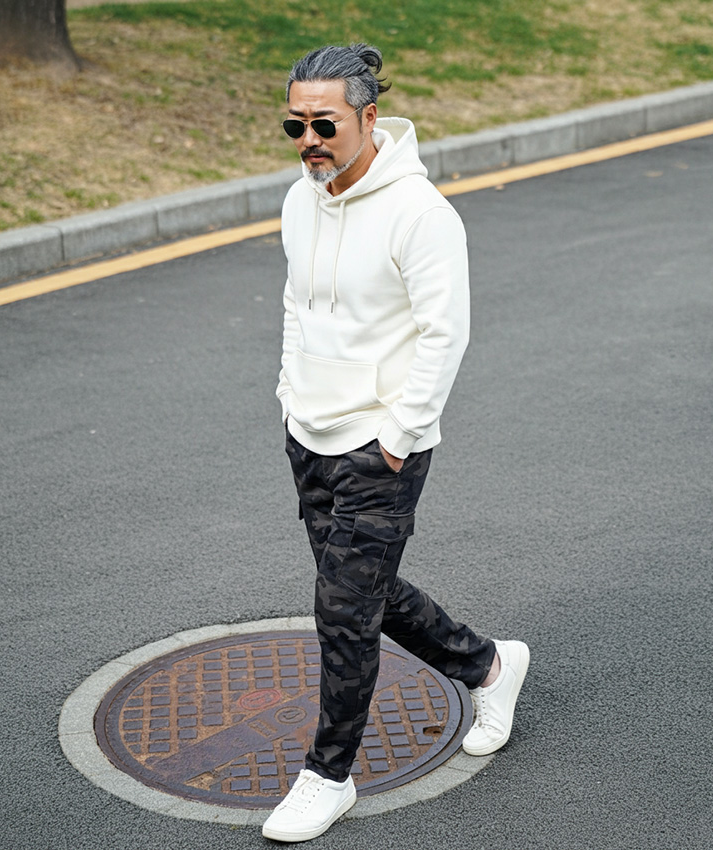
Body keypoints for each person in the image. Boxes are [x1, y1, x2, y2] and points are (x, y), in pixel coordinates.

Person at [262, 43, 530, 843]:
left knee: (343, 610)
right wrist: (289, 392)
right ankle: (488, 665)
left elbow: (446, 335)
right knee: (360, 591)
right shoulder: (300, 200)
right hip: (308, 431)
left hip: (380, 446)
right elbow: (296, 303)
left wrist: (399, 437)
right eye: (295, 125)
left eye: (325, 124)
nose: (309, 140)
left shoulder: (420, 214)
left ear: (369, 117)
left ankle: (328, 774)